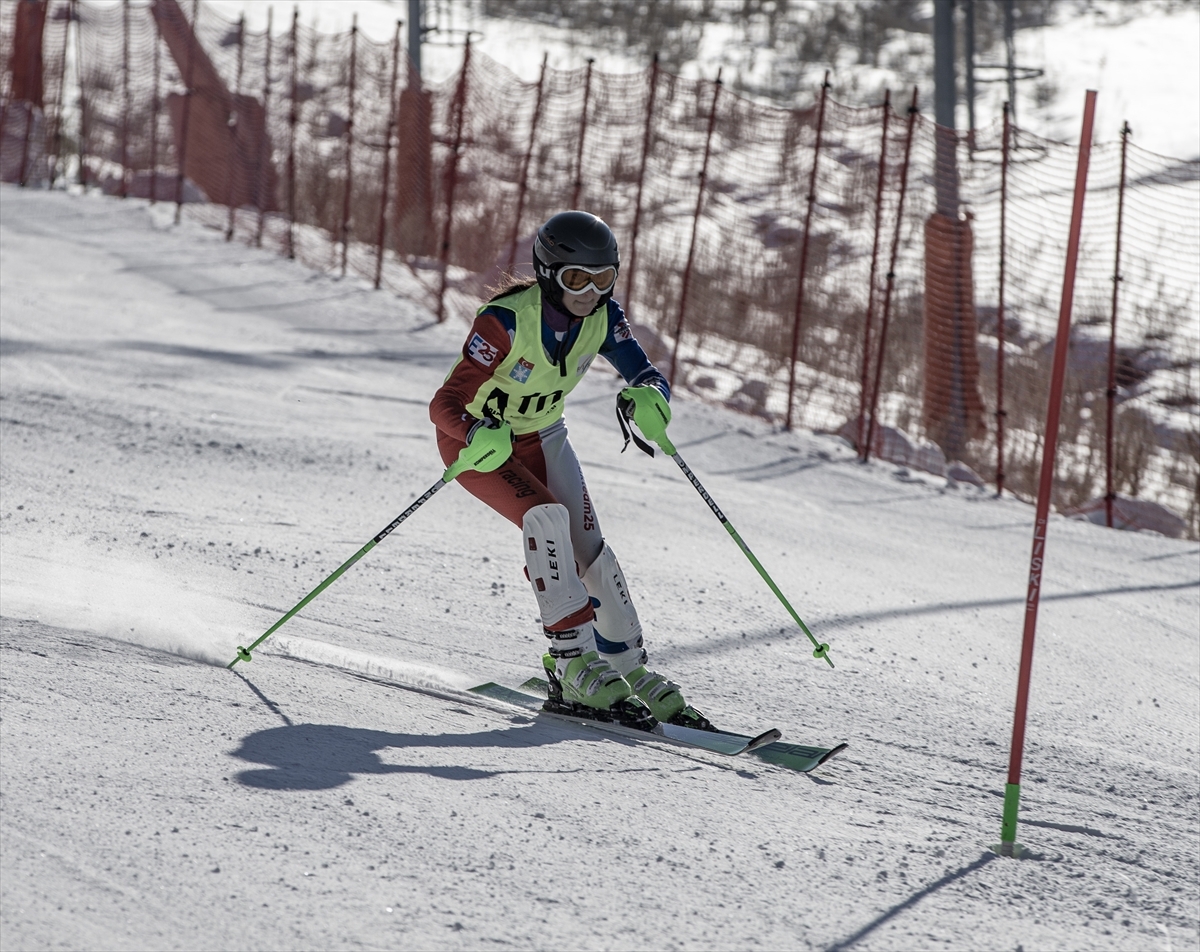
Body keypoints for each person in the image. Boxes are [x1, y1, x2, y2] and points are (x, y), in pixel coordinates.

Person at [429, 210, 708, 730]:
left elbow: (645, 371)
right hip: (482, 444)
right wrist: (472, 432)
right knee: (547, 519)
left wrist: (651, 396)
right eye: (577, 279)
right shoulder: (507, 319)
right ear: (547, 272)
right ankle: (572, 662)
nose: (590, 292)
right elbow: (444, 402)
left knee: (591, 550)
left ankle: (629, 668)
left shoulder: (604, 317)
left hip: (544, 436)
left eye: (604, 279)